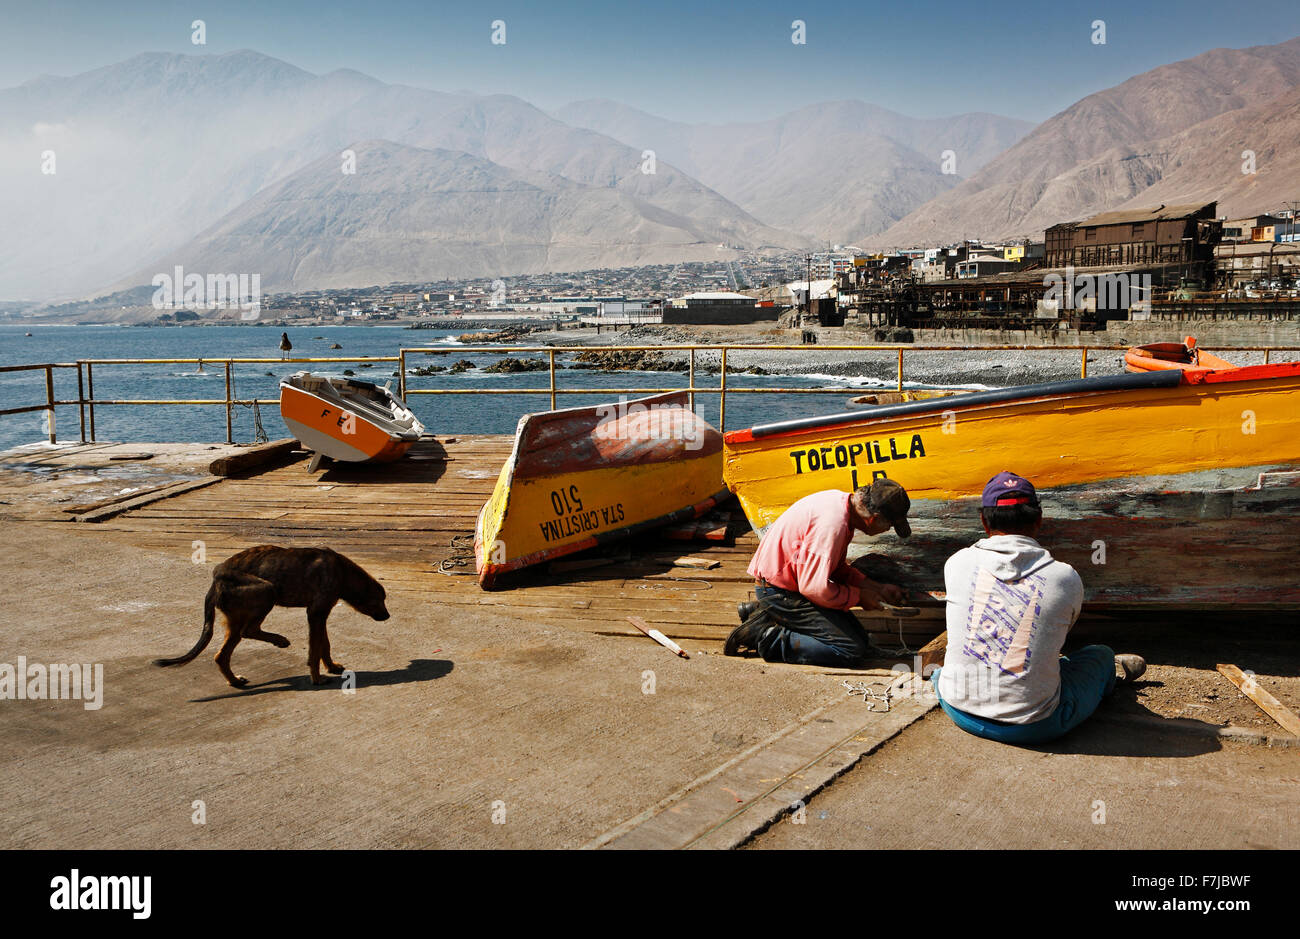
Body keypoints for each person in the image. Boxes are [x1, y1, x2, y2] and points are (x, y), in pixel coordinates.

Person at [931, 471, 1146, 745]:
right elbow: (1057, 635)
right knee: (1100, 656)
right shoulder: (1064, 577)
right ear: (1039, 520)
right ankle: (1108, 679)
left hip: (958, 708)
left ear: (984, 521)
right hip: (1034, 725)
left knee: (941, 673)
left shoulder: (956, 563)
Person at [725, 479, 912, 667]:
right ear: (874, 519)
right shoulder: (833, 525)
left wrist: (877, 588)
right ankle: (766, 636)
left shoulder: (840, 504)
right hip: (780, 592)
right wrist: (859, 597)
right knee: (849, 649)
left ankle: (762, 612)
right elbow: (815, 589)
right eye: (889, 526)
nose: (887, 530)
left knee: (861, 641)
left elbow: (835, 568)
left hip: (786, 584)